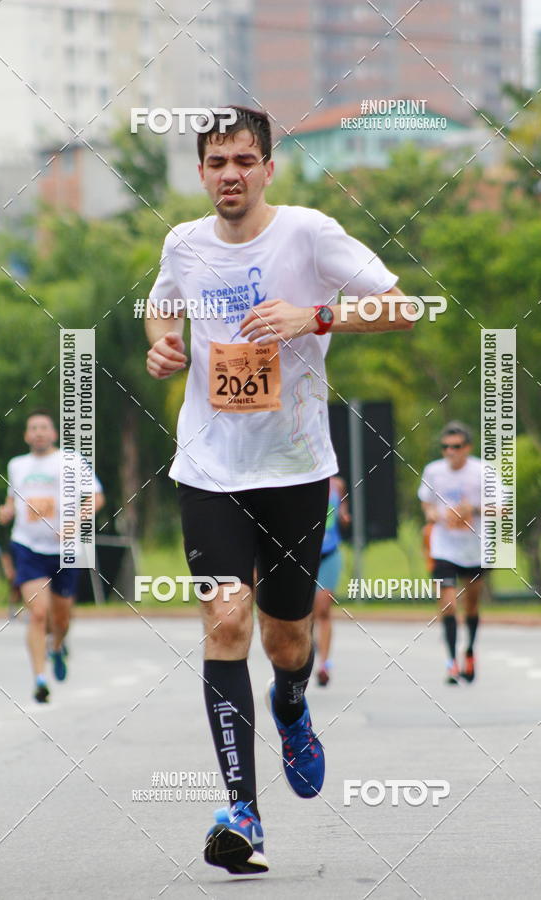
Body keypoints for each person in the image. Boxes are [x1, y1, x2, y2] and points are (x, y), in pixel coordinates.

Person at [145, 105, 414, 875]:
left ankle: (291, 704)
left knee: (284, 641)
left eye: (244, 160)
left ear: (268, 167)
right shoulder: (184, 245)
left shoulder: (307, 232)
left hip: (295, 471)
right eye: (216, 162)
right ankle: (242, 813)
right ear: (201, 173)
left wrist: (314, 316)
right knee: (225, 625)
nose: (230, 174)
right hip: (208, 470)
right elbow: (163, 305)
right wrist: (164, 344)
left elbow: (402, 308)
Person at [0, 409, 104, 702]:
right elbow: (11, 501)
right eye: (33, 428)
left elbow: (96, 497)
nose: (39, 432)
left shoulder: (70, 461)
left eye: (44, 427)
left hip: (65, 550)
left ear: (54, 433)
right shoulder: (17, 465)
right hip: (28, 547)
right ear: (26, 435)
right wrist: (5, 511)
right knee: (38, 614)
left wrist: (75, 523)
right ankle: (40, 680)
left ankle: (57, 646)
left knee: (61, 618)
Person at [418, 422, 484, 685]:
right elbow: (426, 503)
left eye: (456, 447)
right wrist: (432, 514)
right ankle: (451, 662)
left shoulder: (482, 472)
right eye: (445, 447)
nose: (450, 452)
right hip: (443, 547)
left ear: (467, 448)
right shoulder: (433, 471)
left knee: (471, 605)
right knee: (448, 604)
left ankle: (468, 650)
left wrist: (473, 511)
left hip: (474, 548)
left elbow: (504, 508)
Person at [313, 475, 350, 686]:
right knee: (306, 612)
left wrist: (344, 516)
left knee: (324, 608)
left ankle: (324, 664)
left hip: (330, 552)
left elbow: (342, 507)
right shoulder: (298, 479)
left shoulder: (337, 484)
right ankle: (306, 650)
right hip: (304, 555)